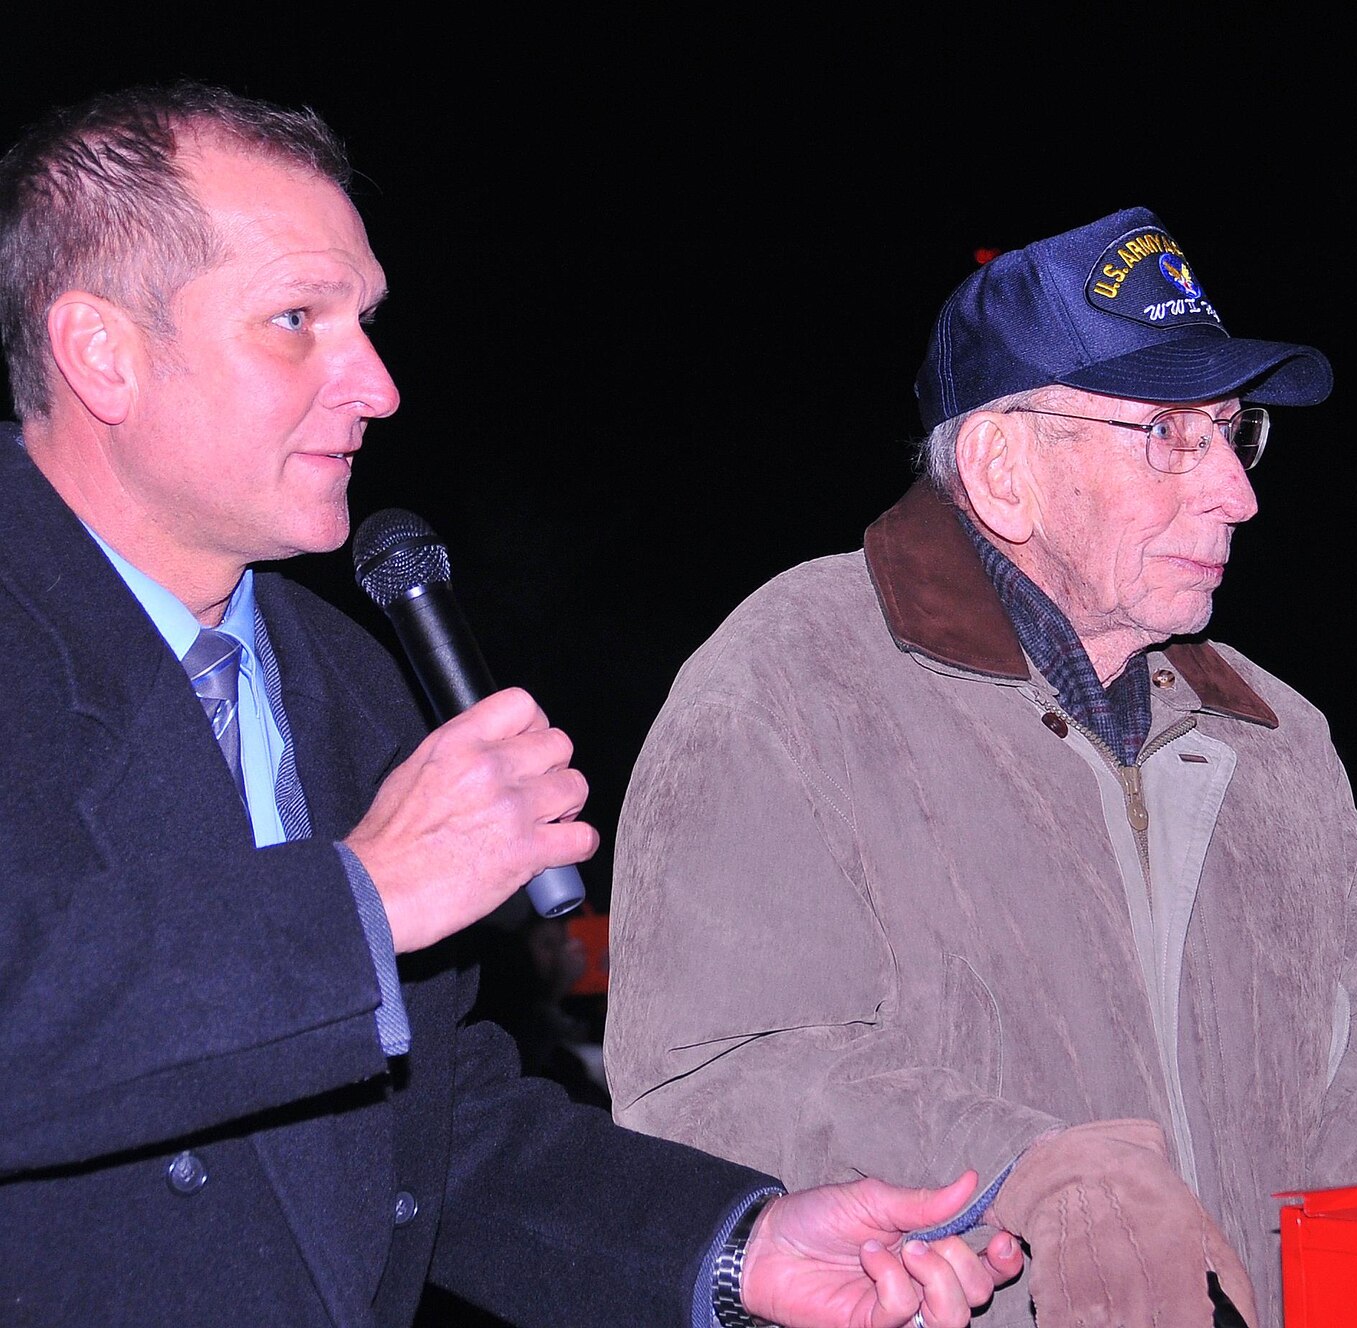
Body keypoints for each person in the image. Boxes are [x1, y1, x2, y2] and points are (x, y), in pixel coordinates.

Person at [0, 83, 1018, 1328]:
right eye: (295, 320)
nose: (374, 384)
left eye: (365, 321)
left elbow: (430, 1127)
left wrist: (732, 1245)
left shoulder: (345, 671)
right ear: (101, 351)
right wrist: (360, 899)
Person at [606, 206, 1357, 1328]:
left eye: (1232, 431)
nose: (1236, 490)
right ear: (1002, 468)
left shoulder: (1273, 732)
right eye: (1170, 432)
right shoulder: (790, 684)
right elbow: (703, 1084)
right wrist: (1016, 1173)